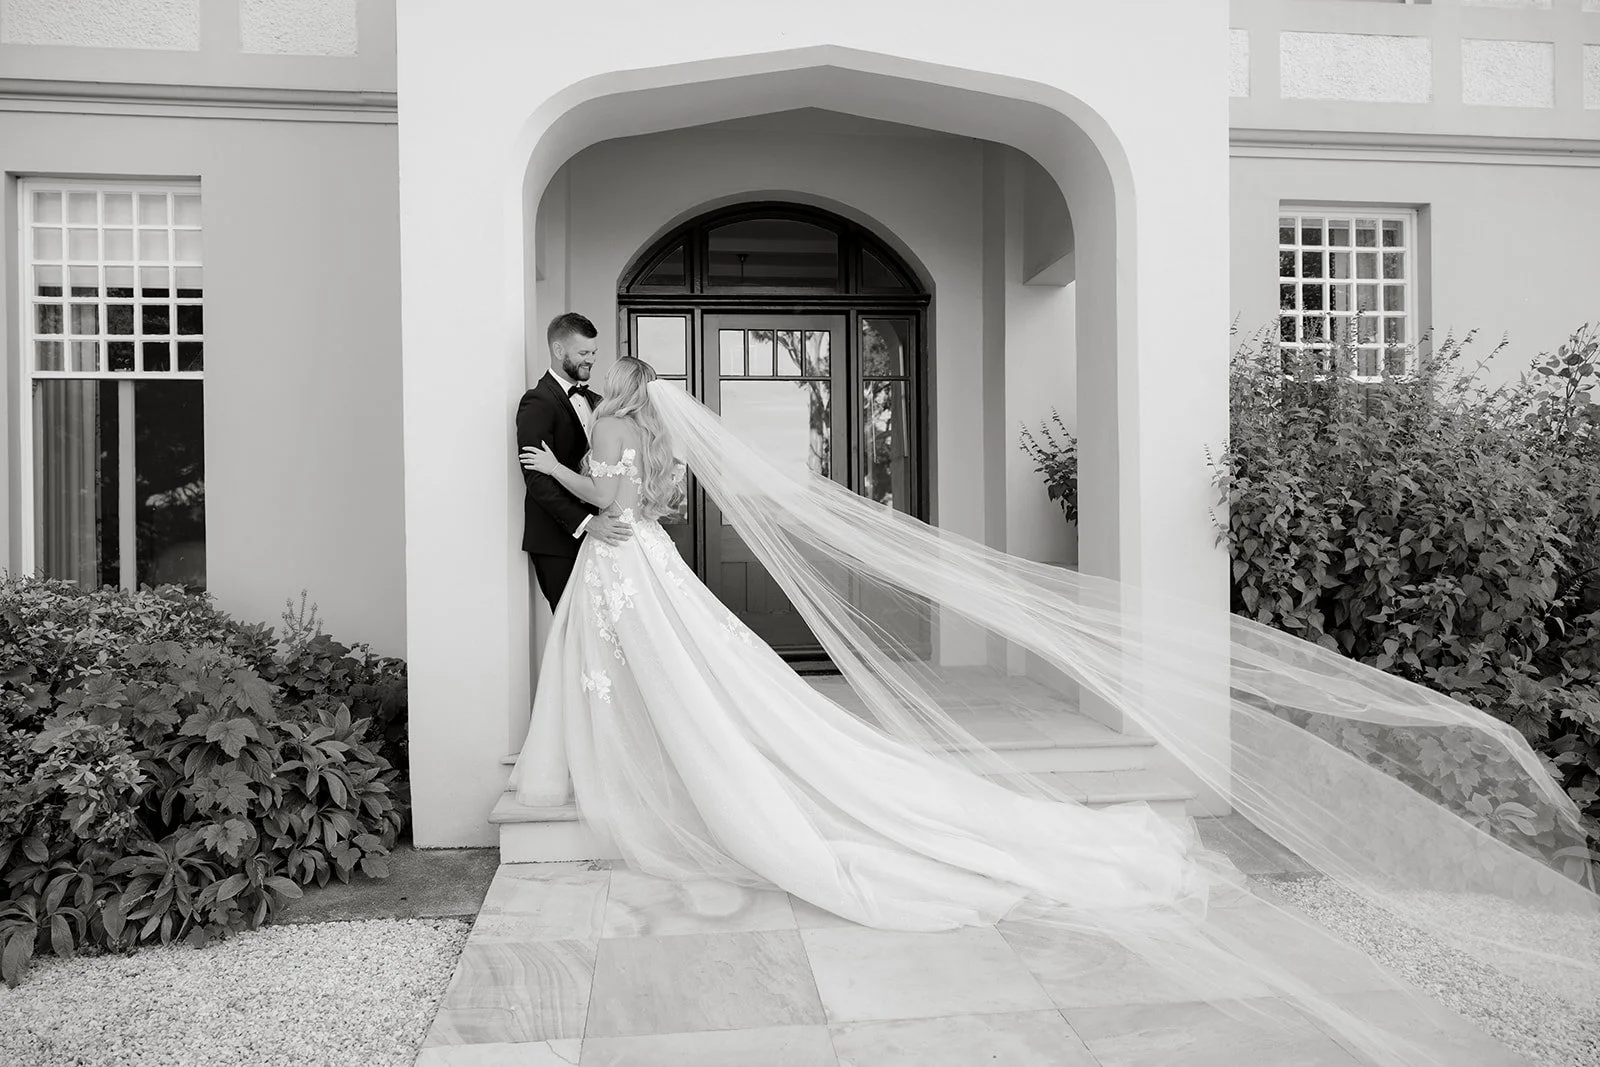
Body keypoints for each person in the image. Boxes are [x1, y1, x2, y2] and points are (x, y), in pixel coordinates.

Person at [513, 356, 1598, 1067]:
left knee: (683, 683)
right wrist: (589, 482)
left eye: (604, 371)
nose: (594, 375)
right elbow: (646, 501)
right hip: (632, 564)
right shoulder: (643, 432)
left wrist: (560, 468)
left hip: (621, 557)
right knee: (680, 678)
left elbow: (620, 501)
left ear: (623, 390)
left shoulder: (612, 434)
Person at [515, 312, 633, 609]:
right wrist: (587, 522)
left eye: (593, 352)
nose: (591, 359)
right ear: (558, 350)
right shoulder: (537, 401)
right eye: (583, 353)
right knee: (571, 624)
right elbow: (536, 479)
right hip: (558, 541)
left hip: (602, 539)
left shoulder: (598, 402)